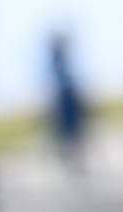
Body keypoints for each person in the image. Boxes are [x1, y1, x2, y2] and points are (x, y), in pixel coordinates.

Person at [47, 31, 88, 175]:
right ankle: (71, 161)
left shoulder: (57, 58)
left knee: (71, 131)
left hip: (65, 96)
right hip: (64, 97)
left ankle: (73, 161)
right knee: (69, 131)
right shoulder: (57, 58)